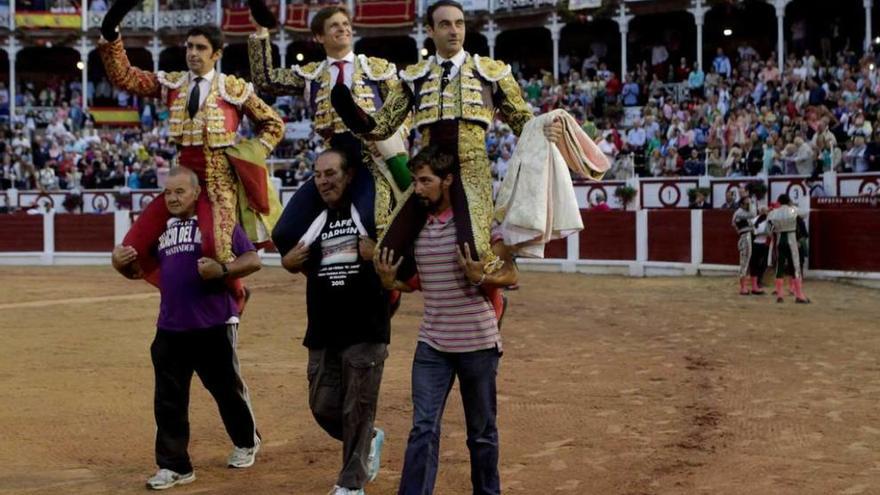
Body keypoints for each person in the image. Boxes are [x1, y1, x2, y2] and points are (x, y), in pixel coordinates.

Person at [331, 0, 561, 281]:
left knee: (475, 252)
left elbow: (523, 121)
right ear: (430, 30)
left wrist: (544, 130)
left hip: (470, 171)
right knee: (388, 253)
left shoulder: (491, 72)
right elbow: (382, 126)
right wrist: (355, 117)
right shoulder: (415, 76)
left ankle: (498, 291)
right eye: (445, 24)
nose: (454, 31)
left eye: (459, 23)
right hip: (428, 174)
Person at [97, 17, 284, 308]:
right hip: (181, 185)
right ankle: (180, 286)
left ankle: (237, 296)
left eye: (200, 47)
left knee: (216, 250)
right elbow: (126, 78)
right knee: (130, 250)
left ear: (216, 54)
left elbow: (273, 124)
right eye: (189, 47)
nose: (192, 53)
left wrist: (250, 154)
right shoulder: (173, 85)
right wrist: (112, 38)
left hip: (218, 185)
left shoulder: (233, 89)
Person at [373, 146, 518, 495]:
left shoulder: (479, 224)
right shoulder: (416, 226)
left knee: (482, 432)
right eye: (416, 181)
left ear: (448, 180)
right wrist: (392, 281)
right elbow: (421, 280)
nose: (418, 189)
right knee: (422, 427)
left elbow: (510, 274)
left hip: (478, 343)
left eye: (426, 181)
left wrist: (481, 276)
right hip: (433, 342)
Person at [110, 167, 263, 491]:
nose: (172, 198)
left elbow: (252, 259)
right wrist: (118, 262)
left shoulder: (217, 223)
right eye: (167, 193)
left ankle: (246, 441)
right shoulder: (159, 229)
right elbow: (137, 271)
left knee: (225, 392)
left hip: (212, 324)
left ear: (196, 193)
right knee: (168, 401)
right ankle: (175, 465)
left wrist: (223, 269)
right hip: (170, 326)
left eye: (179, 192)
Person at [247, 4, 411, 255]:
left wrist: (394, 139)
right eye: (335, 25)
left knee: (375, 223)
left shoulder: (377, 68)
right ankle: (321, 274)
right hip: (333, 160)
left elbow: (403, 109)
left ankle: (388, 288)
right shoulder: (311, 74)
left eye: (346, 25)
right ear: (319, 37)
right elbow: (265, 80)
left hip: (373, 158)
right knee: (284, 233)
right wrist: (261, 31)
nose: (343, 29)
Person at [278, 149, 389, 495]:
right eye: (318, 175)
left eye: (331, 173)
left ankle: (350, 484)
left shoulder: (373, 220)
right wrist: (287, 262)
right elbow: (295, 253)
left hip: (365, 326)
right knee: (322, 405)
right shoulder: (314, 222)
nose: (324, 181)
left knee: (357, 407)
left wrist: (379, 252)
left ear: (350, 175)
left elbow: (401, 258)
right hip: (323, 329)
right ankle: (367, 437)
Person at [768, 194, 810, 303]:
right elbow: (805, 214)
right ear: (788, 201)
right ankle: (799, 295)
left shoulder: (774, 212)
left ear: (779, 202)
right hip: (791, 239)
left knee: (780, 266)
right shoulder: (792, 210)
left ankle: (779, 294)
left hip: (780, 240)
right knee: (795, 266)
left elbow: (769, 229)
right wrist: (794, 207)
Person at [732, 196, 755, 295]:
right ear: (741, 204)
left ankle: (744, 286)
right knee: (744, 261)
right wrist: (752, 203)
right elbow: (753, 214)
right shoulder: (740, 212)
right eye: (747, 203)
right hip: (745, 237)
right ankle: (743, 287)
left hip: (746, 236)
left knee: (745, 261)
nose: (748, 205)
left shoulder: (740, 212)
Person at [748, 206, 770, 294]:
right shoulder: (755, 220)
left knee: (763, 264)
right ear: (761, 211)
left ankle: (758, 281)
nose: (766, 212)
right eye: (765, 211)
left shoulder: (767, 221)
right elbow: (752, 232)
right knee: (755, 264)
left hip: (764, 244)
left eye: (767, 211)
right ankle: (755, 284)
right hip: (756, 244)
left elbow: (769, 232)